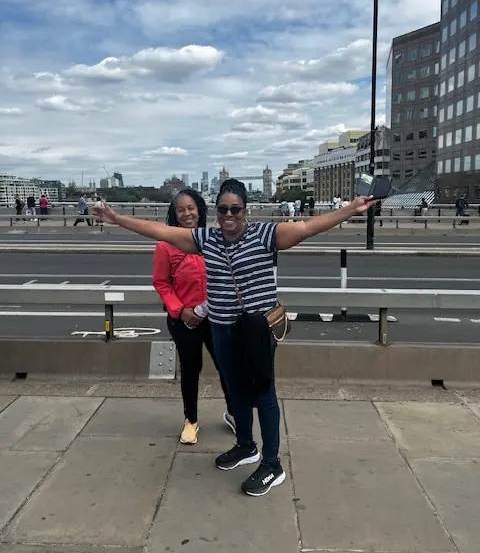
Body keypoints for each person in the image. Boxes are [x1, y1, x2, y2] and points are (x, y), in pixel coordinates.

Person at [94, 179, 376, 497]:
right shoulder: (207, 239)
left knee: (264, 393)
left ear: (245, 210)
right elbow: (159, 231)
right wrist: (116, 218)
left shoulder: (265, 235)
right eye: (223, 209)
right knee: (235, 389)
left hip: (256, 330)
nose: (229, 215)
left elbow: (309, 227)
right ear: (216, 211)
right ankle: (246, 446)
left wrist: (352, 209)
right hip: (221, 328)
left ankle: (272, 464)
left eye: (235, 209)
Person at [153, 189, 234, 445]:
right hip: (184, 319)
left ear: (199, 210)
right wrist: (180, 310)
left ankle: (234, 413)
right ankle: (191, 420)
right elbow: (161, 283)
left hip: (215, 315)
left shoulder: (213, 239)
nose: (187, 213)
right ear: (174, 214)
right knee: (190, 368)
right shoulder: (166, 245)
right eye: (181, 209)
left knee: (226, 365)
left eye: (191, 208)